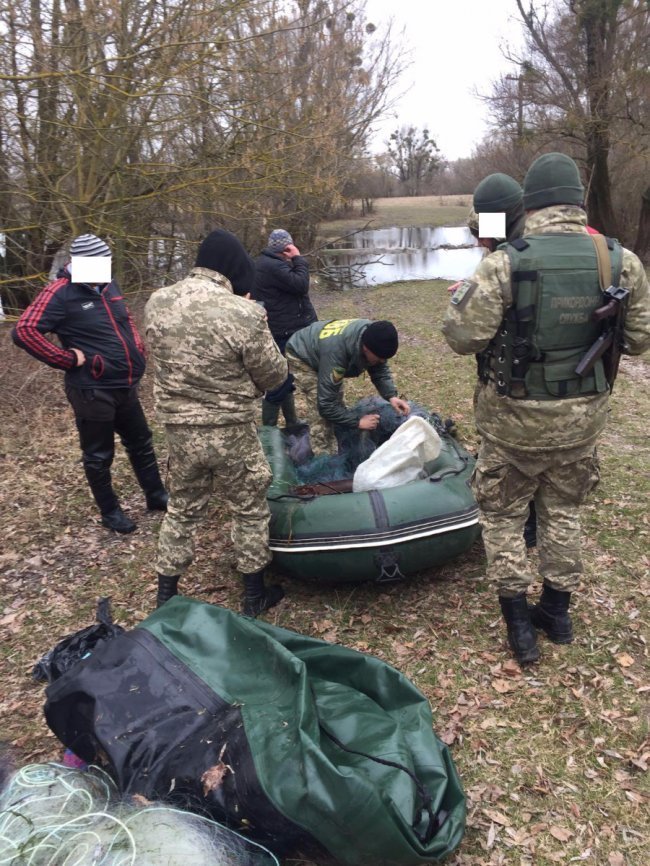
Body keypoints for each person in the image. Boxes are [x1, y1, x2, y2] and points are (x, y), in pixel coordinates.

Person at [442, 152, 650, 665]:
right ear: (578, 200)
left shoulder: (503, 262)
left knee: (504, 517)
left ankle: (518, 625)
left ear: (529, 202)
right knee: (564, 514)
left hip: (511, 426)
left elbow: (461, 337)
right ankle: (556, 613)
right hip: (582, 423)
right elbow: (642, 339)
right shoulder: (619, 260)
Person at [144, 229, 288, 615]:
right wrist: (259, 324)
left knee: (182, 509)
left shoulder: (157, 302)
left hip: (180, 432)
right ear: (233, 269)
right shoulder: (244, 313)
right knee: (249, 509)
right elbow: (274, 376)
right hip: (230, 432)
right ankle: (254, 596)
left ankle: (166, 598)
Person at [12, 233, 168, 534]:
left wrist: (138, 346)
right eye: (98, 262)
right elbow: (24, 331)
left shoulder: (109, 285)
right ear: (81, 264)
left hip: (124, 384)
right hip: (91, 389)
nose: (105, 267)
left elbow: (126, 321)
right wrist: (67, 359)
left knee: (141, 443)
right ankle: (110, 512)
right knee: (99, 455)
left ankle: (156, 495)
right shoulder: (60, 292)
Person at [285, 318, 411, 455]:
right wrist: (358, 422)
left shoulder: (374, 336)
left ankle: (339, 439)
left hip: (324, 352)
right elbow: (325, 405)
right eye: (379, 358)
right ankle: (325, 458)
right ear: (365, 348)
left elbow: (379, 369)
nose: (382, 362)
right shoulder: (337, 355)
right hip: (302, 354)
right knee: (321, 415)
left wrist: (391, 396)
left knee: (336, 401)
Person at [253, 228, 317, 426]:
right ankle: (269, 432)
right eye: (290, 247)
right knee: (284, 380)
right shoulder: (273, 266)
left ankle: (292, 423)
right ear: (286, 248)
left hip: (285, 327)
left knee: (285, 378)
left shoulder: (268, 264)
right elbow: (300, 284)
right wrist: (299, 259)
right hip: (286, 330)